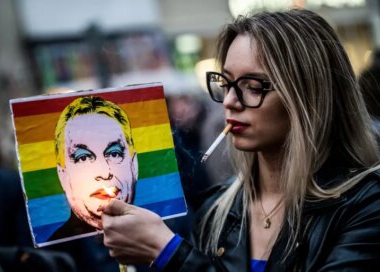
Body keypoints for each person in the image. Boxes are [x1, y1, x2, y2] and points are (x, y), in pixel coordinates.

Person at [100, 9, 380, 271]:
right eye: (226, 83)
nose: (230, 102)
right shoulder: (218, 210)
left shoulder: (366, 205)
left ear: (309, 96)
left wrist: (169, 253)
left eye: (253, 86)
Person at [50, 96, 138, 241]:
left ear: (134, 165)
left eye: (114, 154)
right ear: (63, 176)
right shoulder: (58, 251)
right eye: (83, 158)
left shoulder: (165, 232)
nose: (104, 173)